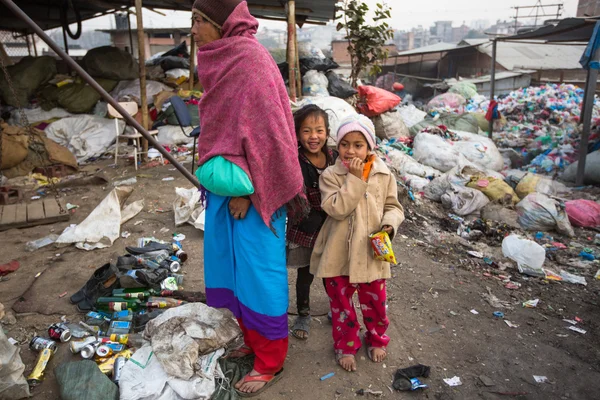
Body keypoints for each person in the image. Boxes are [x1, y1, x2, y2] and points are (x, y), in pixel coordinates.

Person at [191, 0, 306, 396]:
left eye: (196, 21)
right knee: (229, 269)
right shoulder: (219, 59)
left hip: (258, 194)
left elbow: (271, 134)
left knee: (259, 275)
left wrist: (253, 190)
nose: (191, 30)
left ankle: (270, 359)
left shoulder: (250, 60)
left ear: (219, 23)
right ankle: (248, 337)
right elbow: (226, 126)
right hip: (227, 188)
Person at [310, 114, 405, 372]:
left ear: (370, 147)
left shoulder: (384, 174)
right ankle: (346, 345)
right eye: (344, 144)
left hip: (371, 252)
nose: (350, 150)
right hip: (338, 253)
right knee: (341, 305)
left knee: (375, 301)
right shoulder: (331, 175)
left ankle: (376, 339)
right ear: (337, 146)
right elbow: (336, 209)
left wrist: (389, 224)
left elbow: (393, 206)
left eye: (358, 145)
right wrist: (354, 178)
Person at [287, 105, 338, 340]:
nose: (313, 136)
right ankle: (304, 313)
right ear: (297, 134)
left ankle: (337, 309)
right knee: (306, 273)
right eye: (306, 131)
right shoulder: (294, 160)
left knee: (332, 272)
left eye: (319, 130)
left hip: (333, 225)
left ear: (327, 132)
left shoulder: (334, 157)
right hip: (307, 225)